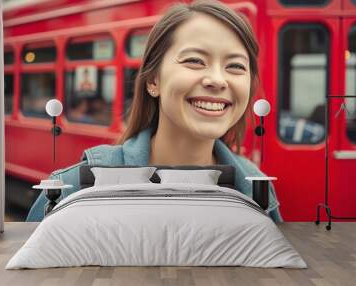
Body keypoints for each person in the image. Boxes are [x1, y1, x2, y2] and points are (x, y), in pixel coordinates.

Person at [27, 0, 283, 222]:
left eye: (236, 66)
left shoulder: (255, 186)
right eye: (194, 60)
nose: (217, 80)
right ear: (153, 81)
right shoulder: (72, 188)